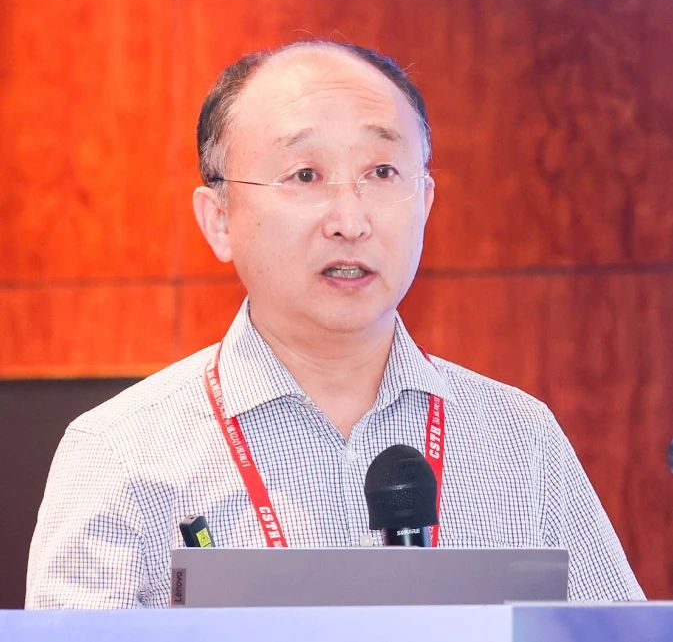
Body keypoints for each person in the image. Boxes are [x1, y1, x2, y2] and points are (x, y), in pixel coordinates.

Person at [26, 40, 644, 608]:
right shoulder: (120, 453)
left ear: (426, 203)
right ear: (219, 219)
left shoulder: (520, 442)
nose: (350, 220)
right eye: (305, 175)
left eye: (382, 173)